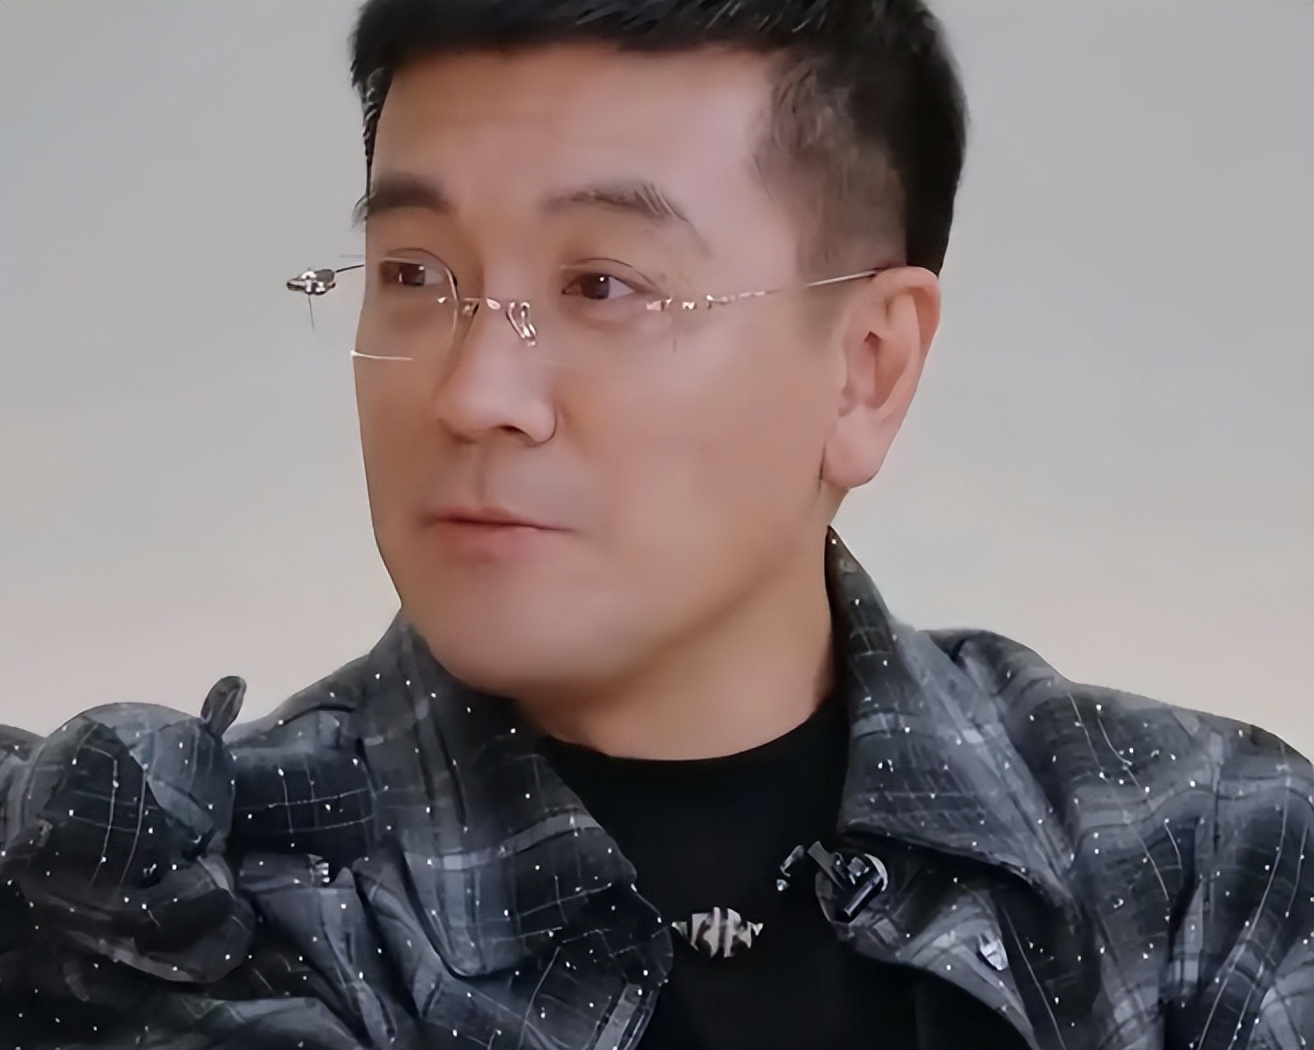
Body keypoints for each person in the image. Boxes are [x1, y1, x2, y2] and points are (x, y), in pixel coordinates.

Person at [1, 1, 1309, 1047]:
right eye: (413, 275)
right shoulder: (185, 907)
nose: (473, 393)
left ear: (865, 369)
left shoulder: (1204, 858)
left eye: (601, 284)